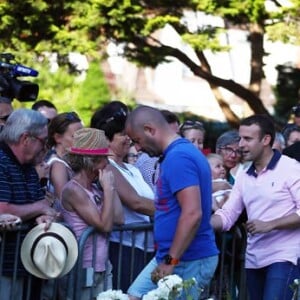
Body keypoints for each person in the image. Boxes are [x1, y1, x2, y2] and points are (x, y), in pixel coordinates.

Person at [125, 105, 219, 300]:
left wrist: (170, 260)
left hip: (188, 258)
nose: (138, 148)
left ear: (150, 130)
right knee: (133, 295)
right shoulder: (177, 154)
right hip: (174, 257)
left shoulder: (179, 157)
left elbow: (192, 213)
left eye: (137, 141)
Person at [211, 114, 300, 300]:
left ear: (266, 140)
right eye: (240, 138)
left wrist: (271, 224)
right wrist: (203, 224)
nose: (240, 144)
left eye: (247, 139)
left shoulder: (291, 168)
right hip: (254, 259)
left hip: (286, 257)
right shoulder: (244, 175)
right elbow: (228, 214)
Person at [91, 101, 155, 292]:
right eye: (122, 135)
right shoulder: (108, 166)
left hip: (145, 247)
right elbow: (136, 202)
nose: (129, 139)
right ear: (107, 139)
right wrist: (175, 210)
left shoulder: (132, 169)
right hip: (124, 248)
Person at [0, 108, 59, 300]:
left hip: (30, 264)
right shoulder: (1, 161)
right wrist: (40, 208)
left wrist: (43, 216)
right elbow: (3, 209)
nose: (45, 148)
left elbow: (39, 205)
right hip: (6, 267)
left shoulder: (28, 168)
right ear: (26, 138)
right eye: (43, 141)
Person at [61, 128, 123, 299]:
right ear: (92, 162)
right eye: (104, 159)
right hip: (83, 267)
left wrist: (110, 187)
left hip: (102, 265)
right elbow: (105, 225)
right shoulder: (73, 190)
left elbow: (119, 218)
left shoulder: (96, 188)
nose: (107, 164)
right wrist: (108, 191)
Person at [134, 109, 180, 192]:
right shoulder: (149, 162)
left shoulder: (172, 156)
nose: (176, 139)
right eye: (171, 135)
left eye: (178, 135)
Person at [46, 111, 83, 210]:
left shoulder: (69, 162)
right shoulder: (58, 165)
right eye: (76, 136)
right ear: (58, 138)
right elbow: (67, 205)